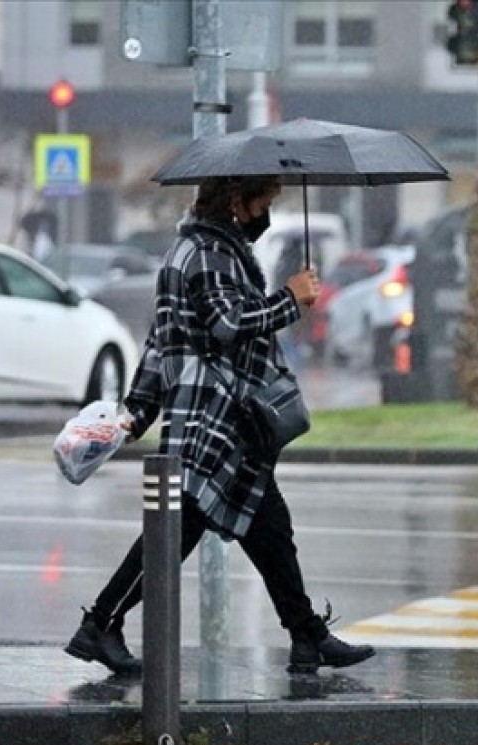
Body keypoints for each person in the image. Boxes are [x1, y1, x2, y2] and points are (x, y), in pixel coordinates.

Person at [63, 176, 375, 676]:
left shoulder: (200, 250)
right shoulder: (207, 253)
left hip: (225, 425)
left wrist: (138, 409)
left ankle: (306, 635)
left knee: (271, 530)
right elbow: (226, 325)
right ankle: (101, 622)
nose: (266, 213)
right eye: (264, 202)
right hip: (212, 424)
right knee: (171, 538)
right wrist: (289, 299)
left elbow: (161, 342)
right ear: (236, 203)